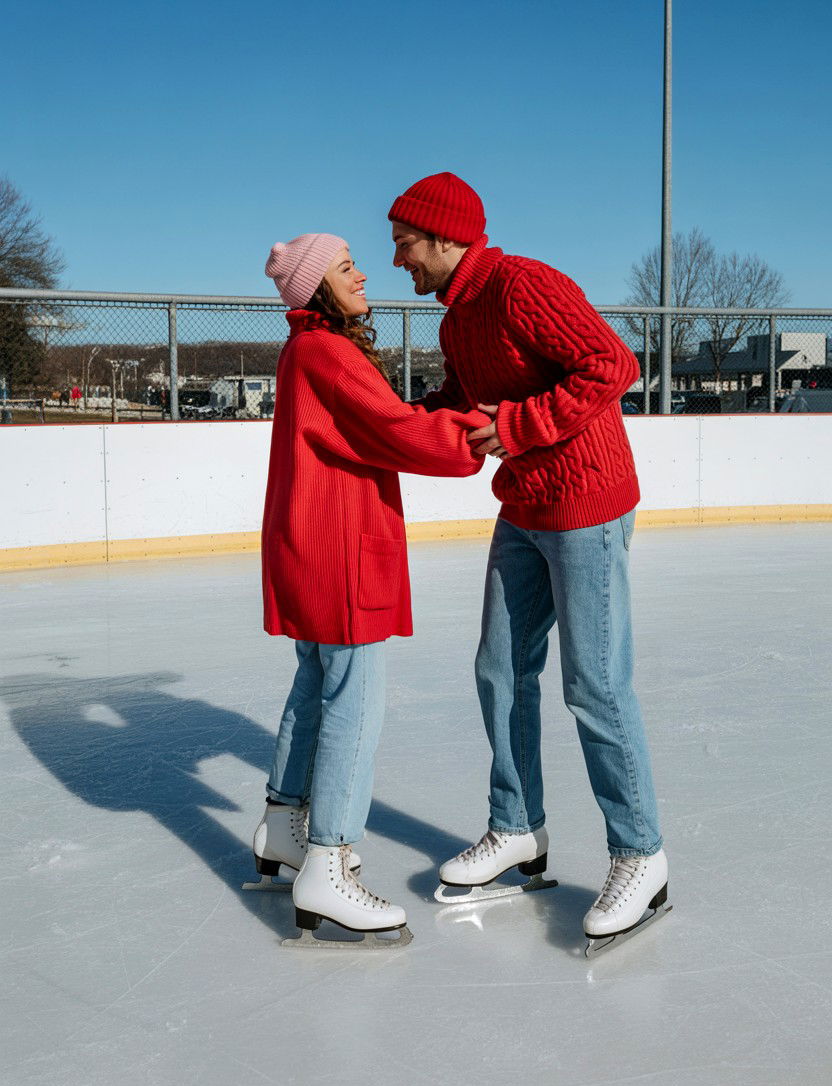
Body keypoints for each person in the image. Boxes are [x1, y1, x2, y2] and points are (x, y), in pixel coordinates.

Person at [388, 172, 668, 949]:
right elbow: (459, 402)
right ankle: (517, 827)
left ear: (445, 237)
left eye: (405, 245)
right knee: (501, 669)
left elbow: (612, 365)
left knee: (595, 686)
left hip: (587, 504)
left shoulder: (523, 285)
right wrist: (391, 423)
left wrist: (517, 426)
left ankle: (641, 855)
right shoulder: (457, 320)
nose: (398, 261)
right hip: (524, 505)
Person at [253, 232, 489, 947]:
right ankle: (328, 863)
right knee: (354, 702)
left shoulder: (306, 350)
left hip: (313, 543)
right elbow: (393, 429)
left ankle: (284, 825)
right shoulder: (327, 352)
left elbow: (378, 421)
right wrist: (475, 433)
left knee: (315, 683)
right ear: (316, 286)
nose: (361, 276)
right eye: (346, 267)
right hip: (340, 550)